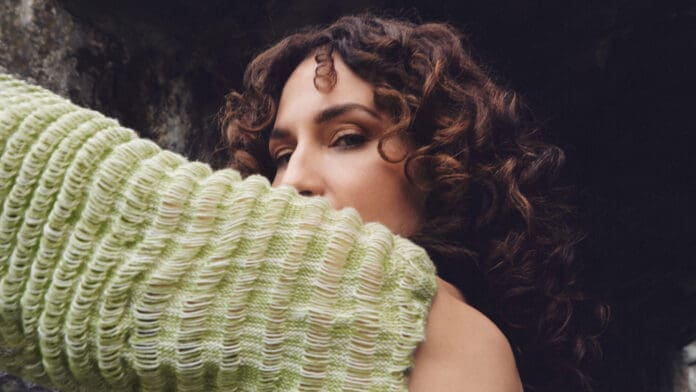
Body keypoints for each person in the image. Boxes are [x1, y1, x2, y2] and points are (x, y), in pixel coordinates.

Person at [221, 14, 608, 391]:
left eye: (348, 138)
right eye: (283, 155)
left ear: (441, 168)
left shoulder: (454, 336)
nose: (292, 182)